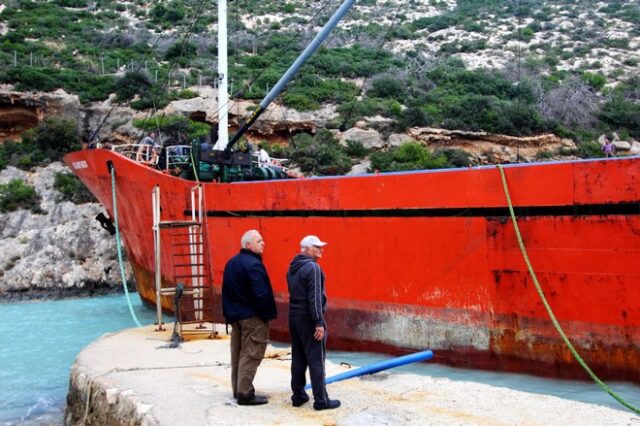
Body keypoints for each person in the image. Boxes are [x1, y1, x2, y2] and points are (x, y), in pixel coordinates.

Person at [222, 230, 277, 406]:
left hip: (236, 316)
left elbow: (226, 291)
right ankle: (245, 393)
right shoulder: (254, 265)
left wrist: (229, 315)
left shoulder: (232, 263)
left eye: (262, 239)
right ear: (247, 245)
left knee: (238, 354)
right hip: (252, 318)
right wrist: (268, 314)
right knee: (251, 354)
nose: (263, 243)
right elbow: (261, 294)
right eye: (258, 240)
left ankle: (238, 390)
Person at [287, 235, 341, 411]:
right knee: (316, 359)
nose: (321, 250)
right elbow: (315, 297)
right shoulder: (313, 268)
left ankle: (298, 396)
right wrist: (318, 322)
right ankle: (321, 400)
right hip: (309, 318)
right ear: (307, 249)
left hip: (294, 316)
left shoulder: (292, 268)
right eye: (317, 247)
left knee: (298, 357)